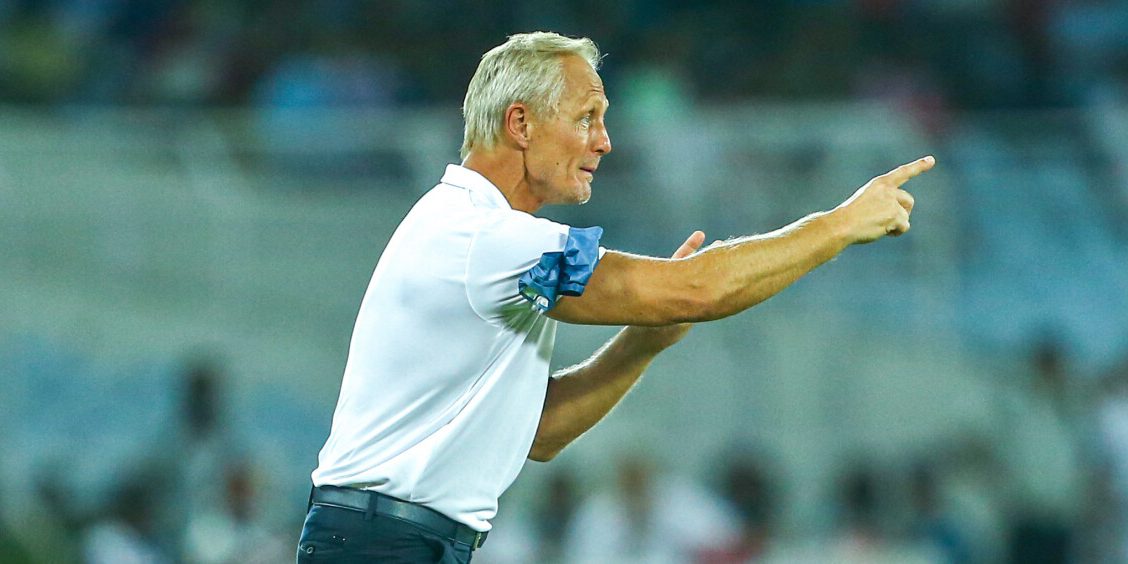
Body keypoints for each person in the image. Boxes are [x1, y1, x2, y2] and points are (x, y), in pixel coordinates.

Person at [298, 31, 934, 563]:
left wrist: (642, 343)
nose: (604, 141)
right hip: (381, 542)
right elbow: (698, 288)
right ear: (519, 122)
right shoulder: (486, 238)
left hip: (389, 539)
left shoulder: (477, 236)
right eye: (585, 119)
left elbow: (538, 434)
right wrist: (842, 223)